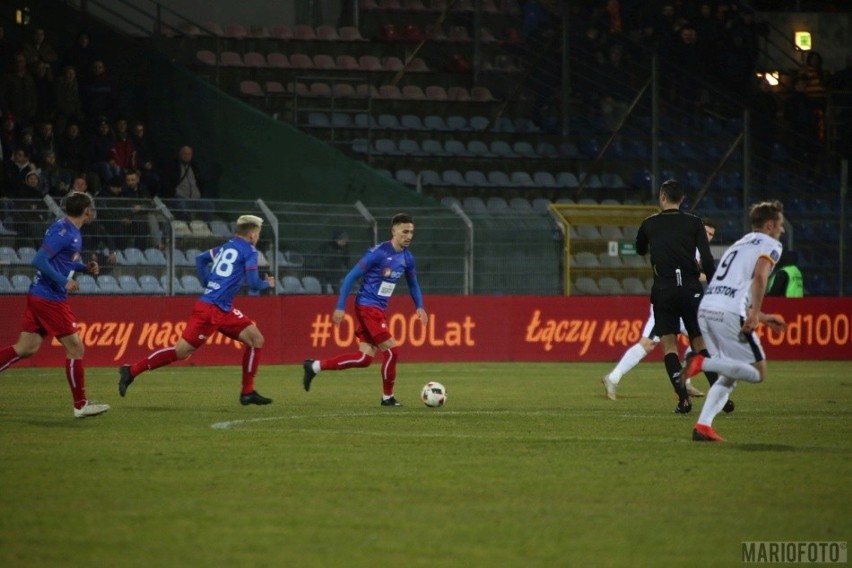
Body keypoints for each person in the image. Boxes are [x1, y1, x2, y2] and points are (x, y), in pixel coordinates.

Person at [118, 215, 276, 405]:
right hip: (211, 311)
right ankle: (132, 370)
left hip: (222, 308)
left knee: (256, 339)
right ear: (251, 235)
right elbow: (253, 284)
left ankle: (248, 392)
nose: (257, 238)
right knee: (181, 352)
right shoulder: (249, 251)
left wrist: (206, 282)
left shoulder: (226, 247)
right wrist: (267, 284)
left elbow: (200, 259)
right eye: (257, 234)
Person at [684, 200, 789, 441]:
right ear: (770, 225)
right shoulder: (770, 244)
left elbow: (733, 287)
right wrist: (754, 314)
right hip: (729, 312)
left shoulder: (739, 244)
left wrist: (760, 316)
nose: (782, 230)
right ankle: (702, 363)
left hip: (708, 308)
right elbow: (761, 276)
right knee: (758, 372)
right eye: (780, 225)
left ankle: (703, 426)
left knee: (729, 373)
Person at [0, 191, 109, 418]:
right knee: (76, 348)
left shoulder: (68, 229)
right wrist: (64, 281)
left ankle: (81, 404)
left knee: (25, 348)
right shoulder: (65, 232)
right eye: (92, 207)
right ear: (87, 210)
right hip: (50, 298)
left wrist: (83, 269)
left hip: (40, 294)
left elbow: (62, 261)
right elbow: (38, 260)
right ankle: (80, 405)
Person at [302, 213, 428, 406]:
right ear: (394, 231)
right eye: (404, 231)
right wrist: (340, 308)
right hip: (367, 307)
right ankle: (388, 398)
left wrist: (419, 306)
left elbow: (413, 284)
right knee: (393, 351)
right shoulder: (378, 253)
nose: (409, 235)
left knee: (364, 358)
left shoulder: (407, 258)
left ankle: (315, 366)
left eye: (411, 232)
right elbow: (350, 277)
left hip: (378, 309)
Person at [602, 218, 720, 400]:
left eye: (711, 234)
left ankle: (685, 382)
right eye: (705, 232)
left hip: (682, 303)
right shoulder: (687, 246)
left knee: (699, 342)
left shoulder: (697, 250)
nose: (708, 236)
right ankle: (613, 377)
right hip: (667, 304)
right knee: (648, 343)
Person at [635, 179, 715, 414]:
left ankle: (683, 400)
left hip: (664, 289)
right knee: (699, 342)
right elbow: (708, 259)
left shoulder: (649, 223)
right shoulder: (694, 222)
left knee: (669, 346)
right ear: (681, 199)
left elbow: (639, 248)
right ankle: (719, 395)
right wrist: (713, 284)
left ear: (662, 196)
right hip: (691, 289)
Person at [160, 145, 215, 221]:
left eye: (189, 154)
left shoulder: (194, 167)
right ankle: (186, 226)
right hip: (181, 198)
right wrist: (174, 193)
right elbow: (167, 183)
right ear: (180, 154)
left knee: (208, 204)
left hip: (195, 199)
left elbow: (200, 182)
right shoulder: (172, 166)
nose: (187, 156)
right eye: (185, 153)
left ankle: (208, 226)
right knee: (181, 206)